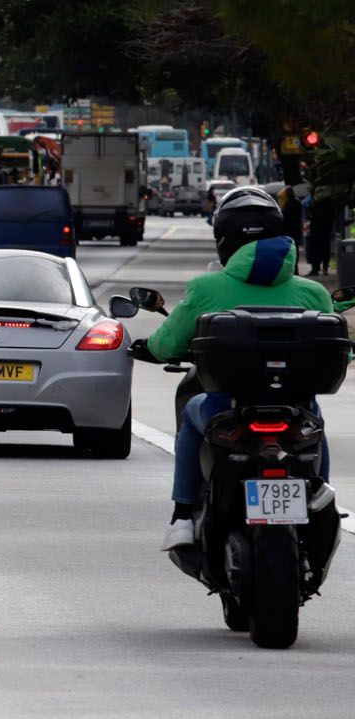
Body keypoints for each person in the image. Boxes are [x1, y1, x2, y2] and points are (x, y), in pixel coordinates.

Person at [134, 186, 336, 551]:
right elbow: (336, 352)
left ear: (224, 238)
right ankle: (320, 492)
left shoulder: (206, 288)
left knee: (191, 418)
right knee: (315, 423)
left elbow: (166, 344)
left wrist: (148, 349)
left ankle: (182, 515)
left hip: (225, 409)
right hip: (296, 409)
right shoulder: (313, 293)